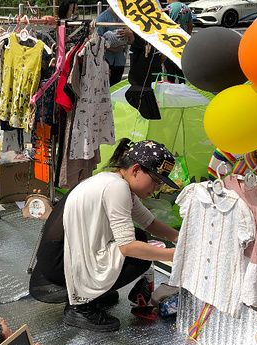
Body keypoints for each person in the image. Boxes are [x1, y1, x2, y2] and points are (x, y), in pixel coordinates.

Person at [30, 139, 180, 332]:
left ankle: (93, 294)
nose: (157, 189)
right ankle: (81, 307)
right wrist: (174, 254)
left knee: (138, 236)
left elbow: (150, 223)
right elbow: (128, 247)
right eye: (156, 181)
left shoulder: (113, 180)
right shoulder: (117, 188)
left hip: (57, 255)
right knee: (138, 255)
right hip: (60, 262)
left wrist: (181, 238)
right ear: (136, 170)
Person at [96, 4, 128, 85]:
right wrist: (113, 49)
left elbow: (130, 40)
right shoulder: (102, 18)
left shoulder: (124, 17)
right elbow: (97, 40)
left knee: (116, 85)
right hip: (106, 60)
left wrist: (129, 34)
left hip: (120, 60)